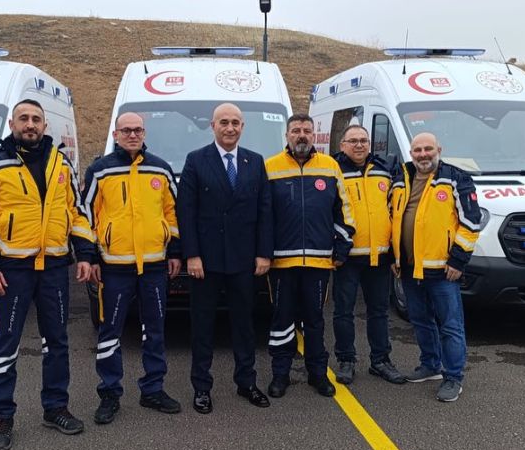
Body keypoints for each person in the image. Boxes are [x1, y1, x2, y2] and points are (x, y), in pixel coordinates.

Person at [0, 99, 96, 450]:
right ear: (12, 124)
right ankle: (2, 417)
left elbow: (77, 212)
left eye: (36, 119)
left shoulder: (60, 163)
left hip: (53, 268)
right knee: (5, 346)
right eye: (23, 118)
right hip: (10, 271)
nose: (30, 124)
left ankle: (56, 408)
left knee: (57, 343)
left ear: (45, 125)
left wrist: (85, 254)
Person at [83, 112, 182, 424]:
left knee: (154, 330)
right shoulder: (100, 170)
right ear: (115, 134)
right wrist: (91, 257)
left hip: (154, 266)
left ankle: (153, 389)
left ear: (144, 133)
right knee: (110, 332)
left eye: (137, 129)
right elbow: (86, 215)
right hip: (114, 267)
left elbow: (173, 212)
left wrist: (175, 250)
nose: (132, 134)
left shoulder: (160, 168)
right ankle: (109, 393)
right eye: (126, 130)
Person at [176, 103, 273, 414]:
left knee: (244, 326)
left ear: (242, 126)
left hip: (244, 260)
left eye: (235, 123)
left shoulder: (255, 162)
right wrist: (192, 255)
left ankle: (246, 382)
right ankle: (201, 387)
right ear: (213, 126)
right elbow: (186, 212)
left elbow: (264, 211)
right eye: (224, 123)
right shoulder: (196, 160)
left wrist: (263, 253)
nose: (230, 128)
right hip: (206, 262)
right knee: (202, 326)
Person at [264, 113, 355, 398]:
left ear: (314, 135)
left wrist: (342, 248)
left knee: (315, 320)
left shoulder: (330, 166)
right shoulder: (270, 167)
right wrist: (263, 253)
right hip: (281, 262)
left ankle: (318, 374)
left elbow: (344, 210)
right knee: (282, 319)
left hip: (319, 261)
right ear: (287, 135)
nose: (301, 135)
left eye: (306, 130)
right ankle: (280, 374)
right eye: (295, 130)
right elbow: (262, 215)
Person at [390, 132, 481, 402]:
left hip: (443, 269)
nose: (423, 154)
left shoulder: (455, 178)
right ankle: (430, 365)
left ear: (439, 149)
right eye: (417, 150)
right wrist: (394, 258)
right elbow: (392, 217)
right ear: (411, 153)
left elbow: (472, 222)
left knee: (450, 325)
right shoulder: (401, 177)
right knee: (420, 320)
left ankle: (453, 377)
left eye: (428, 148)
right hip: (409, 268)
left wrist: (458, 260)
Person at [331, 124, 405, 386]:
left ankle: (380, 361)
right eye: (353, 141)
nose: (359, 145)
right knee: (343, 312)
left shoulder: (384, 169)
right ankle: (346, 360)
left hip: (379, 256)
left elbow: (394, 210)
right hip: (347, 256)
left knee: (379, 312)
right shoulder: (333, 170)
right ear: (342, 145)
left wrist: (395, 252)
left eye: (363, 140)